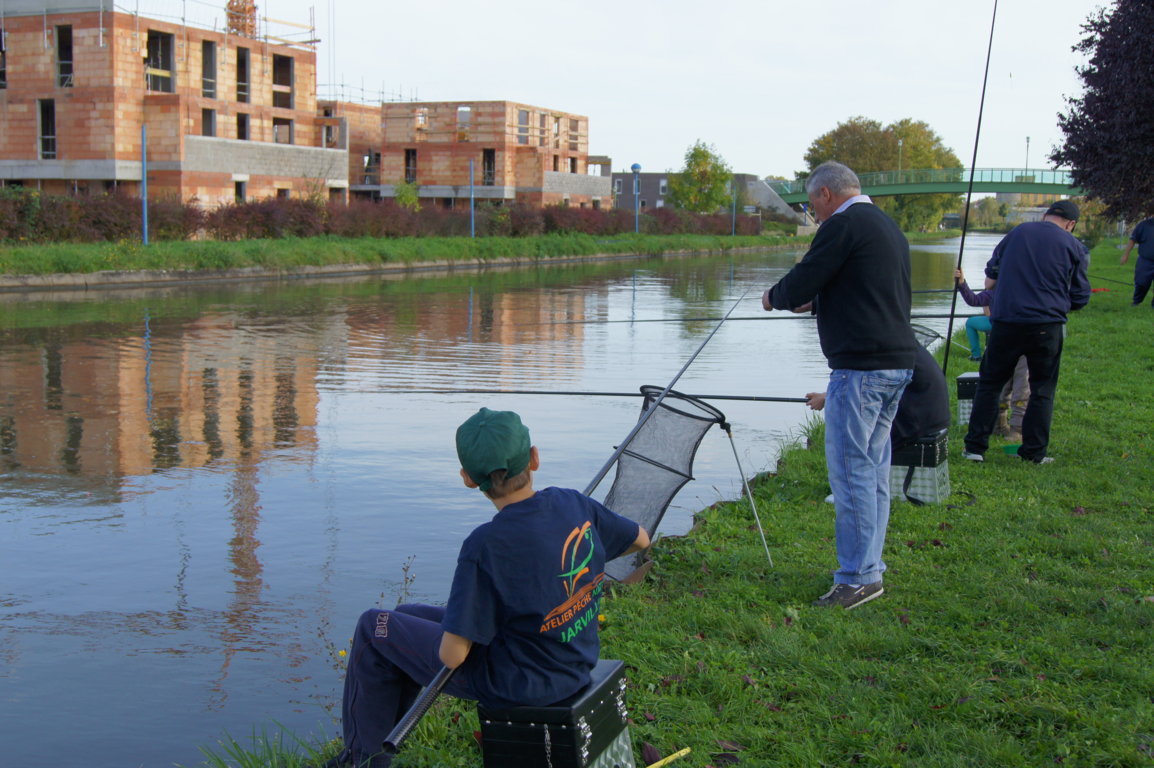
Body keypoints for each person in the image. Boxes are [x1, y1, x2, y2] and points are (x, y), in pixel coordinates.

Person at [329, 408, 649, 767]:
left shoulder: (485, 545)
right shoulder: (573, 502)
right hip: (569, 661)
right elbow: (640, 539)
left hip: (516, 681)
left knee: (375, 628)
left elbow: (453, 657)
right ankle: (376, 748)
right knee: (404, 616)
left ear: (468, 479)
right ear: (534, 458)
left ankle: (358, 761)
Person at [762, 161, 917, 610]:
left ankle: (856, 579)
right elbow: (865, 290)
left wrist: (775, 297)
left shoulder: (843, 225)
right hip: (896, 366)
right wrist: (819, 300)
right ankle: (870, 569)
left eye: (813, 207)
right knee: (872, 474)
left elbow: (802, 279)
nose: (815, 216)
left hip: (861, 372)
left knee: (851, 478)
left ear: (826, 194)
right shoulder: (886, 227)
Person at [962, 200, 1091, 465]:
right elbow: (1080, 296)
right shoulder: (1074, 245)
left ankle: (974, 448)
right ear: (1071, 224)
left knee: (990, 384)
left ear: (1045, 216)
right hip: (1047, 325)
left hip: (1007, 322)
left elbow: (992, 271)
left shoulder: (1017, 232)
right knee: (1042, 388)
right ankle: (1034, 452)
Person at [807, 343, 949, 502]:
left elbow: (866, 385)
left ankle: (853, 492)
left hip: (917, 419)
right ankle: (867, 489)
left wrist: (829, 397)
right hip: (932, 415)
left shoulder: (879, 347)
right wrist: (828, 395)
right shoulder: (898, 343)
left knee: (853, 433)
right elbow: (875, 385)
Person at [955, 267, 1030, 441]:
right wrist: (961, 284)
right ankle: (1000, 425)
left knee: (1021, 386)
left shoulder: (1018, 292)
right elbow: (973, 300)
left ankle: (1016, 429)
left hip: (1023, 344)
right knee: (1004, 386)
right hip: (1002, 345)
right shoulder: (993, 292)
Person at [1120, 216, 1154, 307]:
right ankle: (1137, 301)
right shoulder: (1144, 225)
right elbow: (1133, 239)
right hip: (1145, 260)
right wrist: (1126, 255)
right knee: (1141, 282)